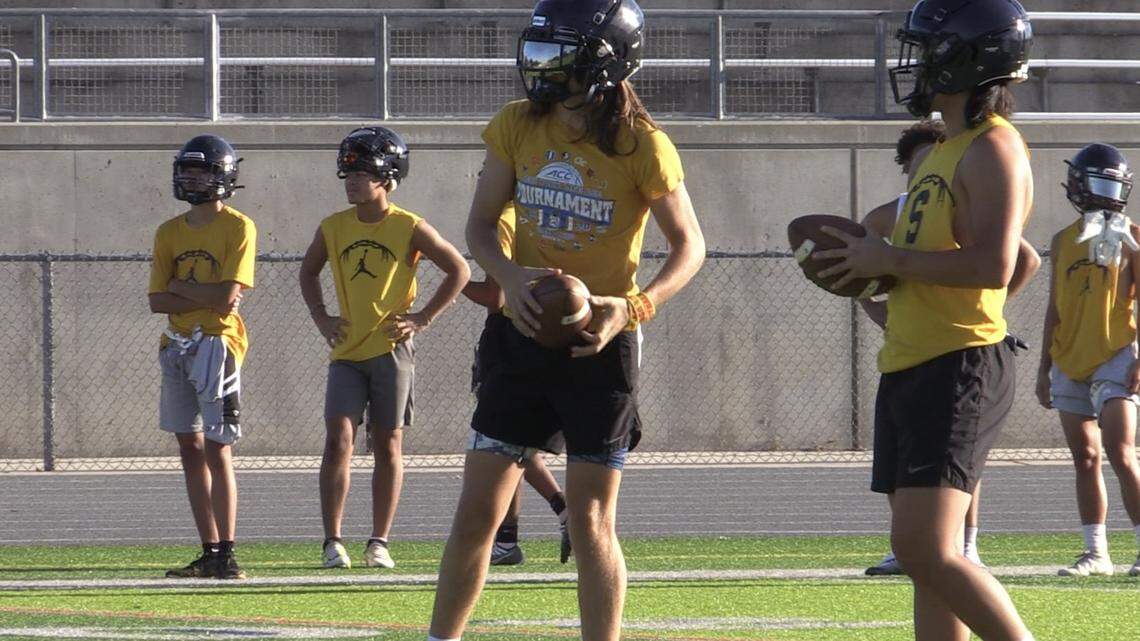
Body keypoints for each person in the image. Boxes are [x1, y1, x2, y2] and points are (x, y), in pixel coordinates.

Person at [427, 0, 705, 638]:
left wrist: (630, 309)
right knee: (478, 513)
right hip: (519, 335)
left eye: (562, 52)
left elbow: (691, 246)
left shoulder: (644, 144)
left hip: (598, 347)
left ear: (607, 62)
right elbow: (479, 225)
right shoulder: (517, 125)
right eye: (542, 49)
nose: (544, 65)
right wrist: (510, 276)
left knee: (592, 521)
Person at [816, 0, 1037, 638]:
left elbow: (1000, 264)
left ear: (966, 57)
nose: (914, 63)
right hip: (914, 362)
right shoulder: (948, 147)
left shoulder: (994, 147)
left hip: (958, 362)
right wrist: (864, 267)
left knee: (928, 549)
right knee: (924, 561)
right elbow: (910, 255)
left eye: (927, 49)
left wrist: (886, 257)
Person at [863, 120, 1041, 576]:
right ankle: (925, 547)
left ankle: (968, 543)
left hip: (958, 350)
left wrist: (992, 306)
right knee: (906, 506)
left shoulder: (981, 158)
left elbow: (1016, 260)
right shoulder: (899, 208)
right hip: (907, 354)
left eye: (933, 154)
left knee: (939, 539)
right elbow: (863, 255)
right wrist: (877, 305)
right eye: (917, 161)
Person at [300, 126, 470, 570]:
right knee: (339, 439)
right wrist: (322, 317)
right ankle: (332, 540)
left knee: (388, 443)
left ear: (388, 177)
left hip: (391, 351)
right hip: (346, 353)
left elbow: (459, 270)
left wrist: (422, 318)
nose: (352, 181)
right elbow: (308, 273)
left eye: (363, 172)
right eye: (348, 173)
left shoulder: (408, 225)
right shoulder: (333, 227)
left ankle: (379, 541)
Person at [149, 134, 255, 580]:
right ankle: (208, 548)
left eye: (202, 171)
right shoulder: (168, 231)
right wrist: (199, 296)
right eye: (187, 170)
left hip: (216, 345)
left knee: (218, 448)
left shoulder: (237, 226)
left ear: (223, 175)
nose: (192, 178)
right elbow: (156, 300)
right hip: (176, 345)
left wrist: (181, 290)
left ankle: (227, 553)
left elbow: (228, 298)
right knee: (188, 446)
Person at [1035, 143, 1140, 578]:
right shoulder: (1062, 241)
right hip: (1069, 356)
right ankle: (1096, 551)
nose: (1103, 193)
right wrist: (1043, 367)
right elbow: (1054, 307)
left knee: (1121, 451)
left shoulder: (1134, 235)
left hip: (1117, 352)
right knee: (1086, 457)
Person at [461, 202, 571, 567]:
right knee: (515, 446)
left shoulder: (504, 221)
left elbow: (496, 296)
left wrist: (456, 281)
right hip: (537, 335)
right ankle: (507, 540)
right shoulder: (539, 217)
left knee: (502, 446)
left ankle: (560, 507)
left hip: (509, 335)